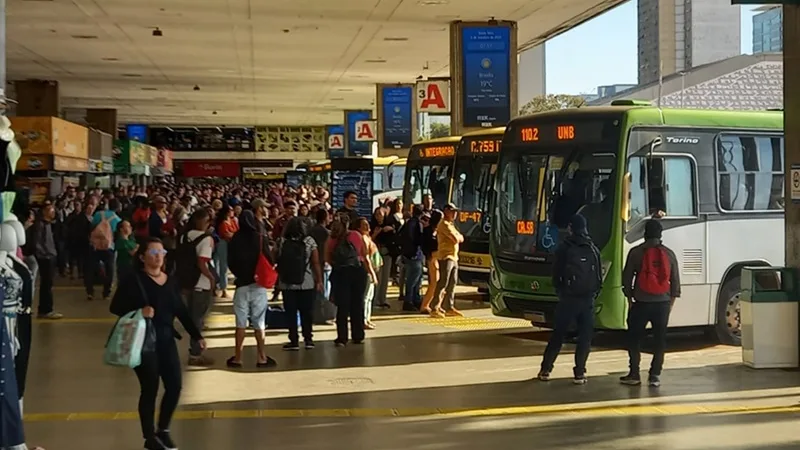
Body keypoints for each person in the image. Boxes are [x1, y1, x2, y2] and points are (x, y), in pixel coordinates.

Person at [110, 238, 205, 450]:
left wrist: (196, 335)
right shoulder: (133, 280)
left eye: (161, 251)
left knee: (175, 385)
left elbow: (180, 310)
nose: (158, 255)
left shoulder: (170, 280)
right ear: (142, 257)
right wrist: (139, 311)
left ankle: (163, 429)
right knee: (150, 388)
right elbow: (115, 307)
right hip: (143, 341)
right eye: (153, 251)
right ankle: (149, 437)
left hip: (166, 339)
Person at [537, 214, 601, 385]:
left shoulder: (564, 248)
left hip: (568, 299)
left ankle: (546, 370)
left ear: (571, 228)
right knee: (585, 338)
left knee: (558, 335)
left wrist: (561, 291)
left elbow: (556, 274)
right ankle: (579, 373)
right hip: (587, 300)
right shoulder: (593, 248)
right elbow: (599, 278)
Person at [620, 219, 681, 388]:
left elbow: (626, 279)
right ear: (660, 234)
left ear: (644, 233)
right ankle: (655, 375)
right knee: (659, 340)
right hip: (662, 304)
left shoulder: (636, 252)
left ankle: (634, 374)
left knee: (634, 338)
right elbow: (675, 283)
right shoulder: (669, 254)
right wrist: (669, 305)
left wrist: (630, 299)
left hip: (641, 303)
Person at [226, 210, 277, 368]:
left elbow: (230, 262)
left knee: (240, 322)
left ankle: (238, 357)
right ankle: (261, 357)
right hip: (258, 285)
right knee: (259, 322)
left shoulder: (235, 239)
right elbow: (270, 259)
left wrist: (240, 273)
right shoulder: (260, 237)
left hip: (241, 285)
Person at [276, 216, 323, 350]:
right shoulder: (310, 241)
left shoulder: (282, 242)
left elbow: (275, 259)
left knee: (290, 312)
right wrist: (319, 280)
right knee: (307, 312)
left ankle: (294, 341)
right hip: (306, 282)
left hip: (287, 283)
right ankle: (308, 339)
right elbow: (315, 263)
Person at [326, 218, 374, 346]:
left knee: (342, 306)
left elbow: (327, 257)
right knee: (357, 304)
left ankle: (342, 337)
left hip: (341, 273)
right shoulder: (356, 235)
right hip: (357, 271)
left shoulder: (332, 238)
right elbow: (364, 253)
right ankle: (358, 335)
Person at [182, 209, 217, 367]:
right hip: (201, 283)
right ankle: (195, 354)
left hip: (186, 282)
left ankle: (194, 351)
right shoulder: (206, 239)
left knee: (192, 317)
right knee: (198, 319)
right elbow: (202, 262)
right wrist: (211, 278)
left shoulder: (185, 235)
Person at [28, 200, 62, 320]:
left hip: (50, 255)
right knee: (46, 284)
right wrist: (44, 254)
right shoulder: (40, 225)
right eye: (51, 210)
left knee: (48, 284)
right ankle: (45, 309)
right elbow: (37, 242)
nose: (53, 213)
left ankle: (46, 308)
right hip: (46, 257)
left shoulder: (48, 224)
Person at [430, 204, 464, 318]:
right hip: (446, 257)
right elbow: (456, 239)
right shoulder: (444, 224)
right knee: (443, 282)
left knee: (452, 283)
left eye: (455, 211)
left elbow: (461, 238)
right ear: (446, 211)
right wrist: (457, 237)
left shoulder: (451, 224)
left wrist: (458, 237)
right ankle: (434, 307)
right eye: (452, 211)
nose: (455, 214)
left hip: (454, 257)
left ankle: (449, 306)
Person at [399, 206, 425, 312]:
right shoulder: (417, 224)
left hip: (409, 254)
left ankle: (414, 299)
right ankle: (410, 300)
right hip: (415, 254)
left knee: (414, 278)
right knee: (414, 279)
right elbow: (418, 239)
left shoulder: (408, 223)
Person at [358, 217, 381, 329]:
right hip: (367, 270)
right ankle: (363, 320)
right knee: (366, 296)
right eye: (364, 225)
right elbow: (366, 257)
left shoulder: (367, 237)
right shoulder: (363, 238)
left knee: (370, 296)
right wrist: (372, 273)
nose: (367, 226)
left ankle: (367, 318)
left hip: (372, 268)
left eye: (367, 224)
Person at [370, 207, 394, 309]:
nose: (378, 217)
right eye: (376, 215)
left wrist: (392, 229)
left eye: (380, 214)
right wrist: (376, 233)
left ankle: (382, 299)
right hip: (376, 253)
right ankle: (374, 300)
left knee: (385, 278)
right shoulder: (372, 226)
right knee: (377, 277)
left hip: (387, 253)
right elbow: (369, 240)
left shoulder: (389, 225)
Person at [420, 210, 443, 314]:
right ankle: (425, 305)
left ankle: (433, 304)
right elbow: (426, 245)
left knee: (437, 282)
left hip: (436, 257)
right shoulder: (428, 231)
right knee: (434, 283)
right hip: (432, 257)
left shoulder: (435, 230)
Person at [214, 204, 237, 299]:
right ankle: (223, 288)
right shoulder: (223, 223)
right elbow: (226, 235)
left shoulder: (232, 221)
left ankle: (222, 287)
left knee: (224, 267)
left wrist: (233, 235)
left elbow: (236, 232)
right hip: (223, 244)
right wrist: (233, 234)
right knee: (222, 267)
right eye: (231, 210)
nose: (233, 211)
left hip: (230, 244)